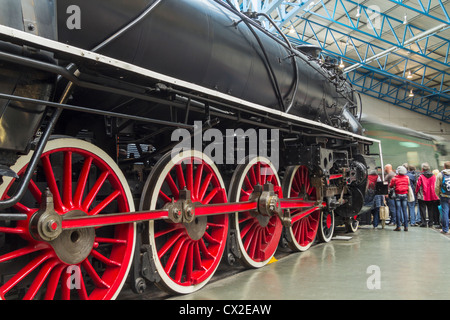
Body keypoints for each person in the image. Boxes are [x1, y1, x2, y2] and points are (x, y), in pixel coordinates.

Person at [415, 162, 440, 228]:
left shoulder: (421, 176)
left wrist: (416, 192)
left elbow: (418, 185)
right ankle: (430, 223)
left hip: (422, 196)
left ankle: (424, 223)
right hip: (431, 195)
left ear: (422, 168)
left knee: (422, 209)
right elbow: (436, 185)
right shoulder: (433, 176)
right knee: (430, 209)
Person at [389, 166, 410, 231]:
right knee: (404, 210)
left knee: (398, 210)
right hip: (405, 194)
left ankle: (398, 226)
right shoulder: (407, 178)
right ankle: (406, 226)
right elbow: (408, 184)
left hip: (397, 194)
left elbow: (391, 185)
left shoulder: (394, 178)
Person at [435, 161, 450, 234]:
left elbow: (437, 186)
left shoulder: (440, 174)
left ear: (444, 167)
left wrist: (438, 194)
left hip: (444, 196)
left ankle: (445, 229)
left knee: (445, 212)